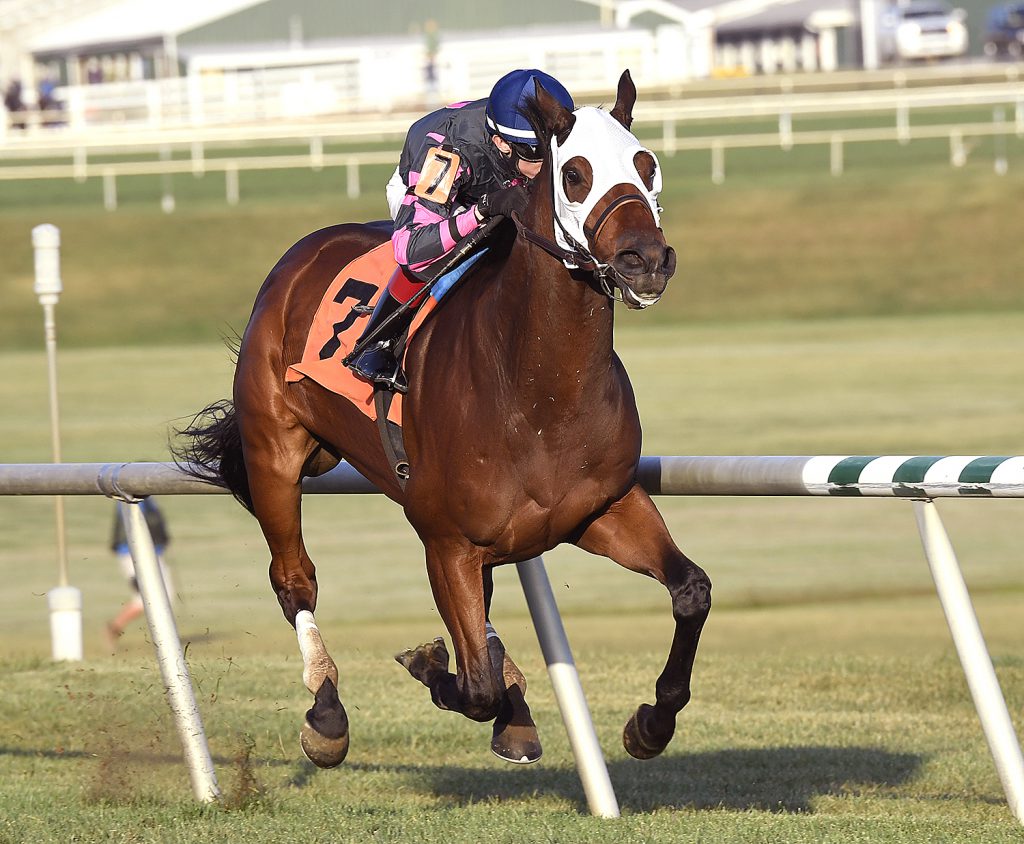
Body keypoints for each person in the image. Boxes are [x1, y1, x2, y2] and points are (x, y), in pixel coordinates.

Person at [347, 68, 574, 393]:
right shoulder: (447, 152)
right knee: (441, 257)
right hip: (435, 191)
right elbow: (410, 247)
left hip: (497, 181)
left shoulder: (524, 142)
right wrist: (482, 209)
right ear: (502, 144)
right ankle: (377, 344)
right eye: (536, 153)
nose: (547, 164)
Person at [106, 497, 174, 651]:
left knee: (164, 596)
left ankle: (163, 637)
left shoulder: (147, 496)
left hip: (152, 553)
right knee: (144, 599)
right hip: (134, 554)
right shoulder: (132, 494)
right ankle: (114, 628)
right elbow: (136, 524)